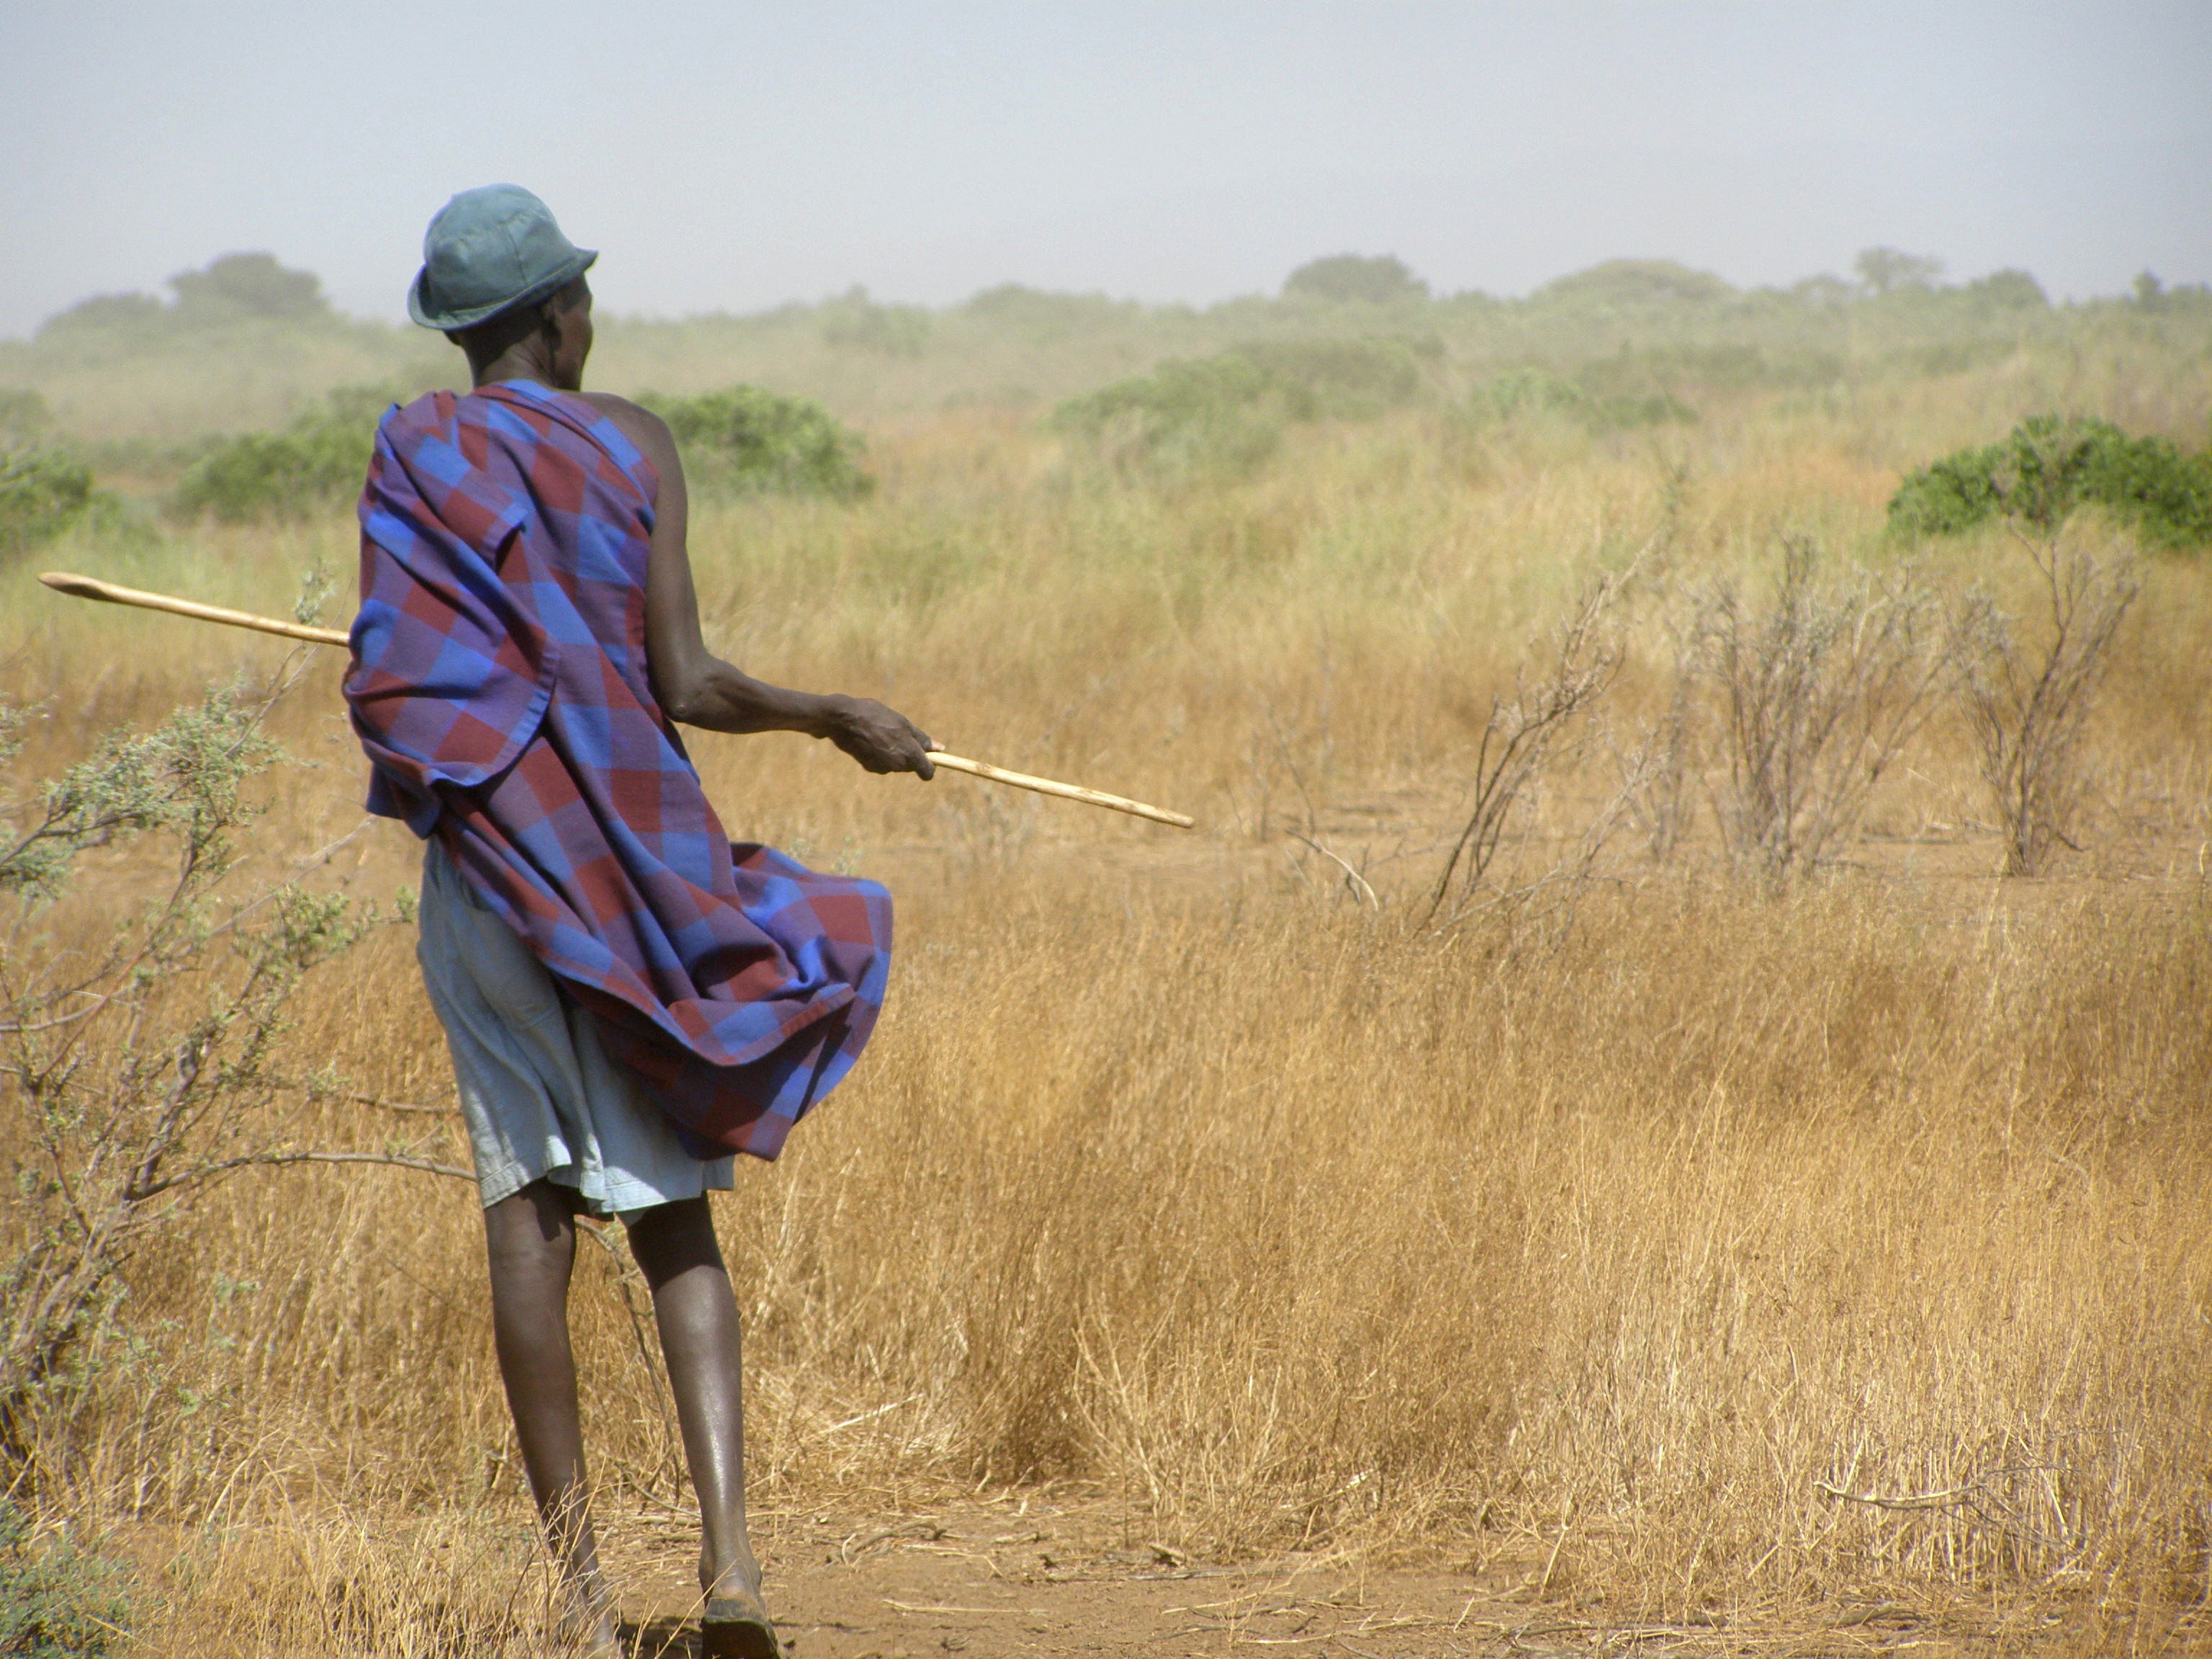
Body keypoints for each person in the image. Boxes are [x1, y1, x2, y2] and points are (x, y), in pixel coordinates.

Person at [344, 184, 934, 1658]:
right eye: (582, 301)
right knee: (671, 1211)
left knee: (526, 1222)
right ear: (558, 314)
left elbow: (408, 682)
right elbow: (684, 684)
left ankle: (584, 1605)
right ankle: (731, 1576)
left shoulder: (417, 447)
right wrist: (830, 717)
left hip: (491, 874)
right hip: (633, 879)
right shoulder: (635, 445)